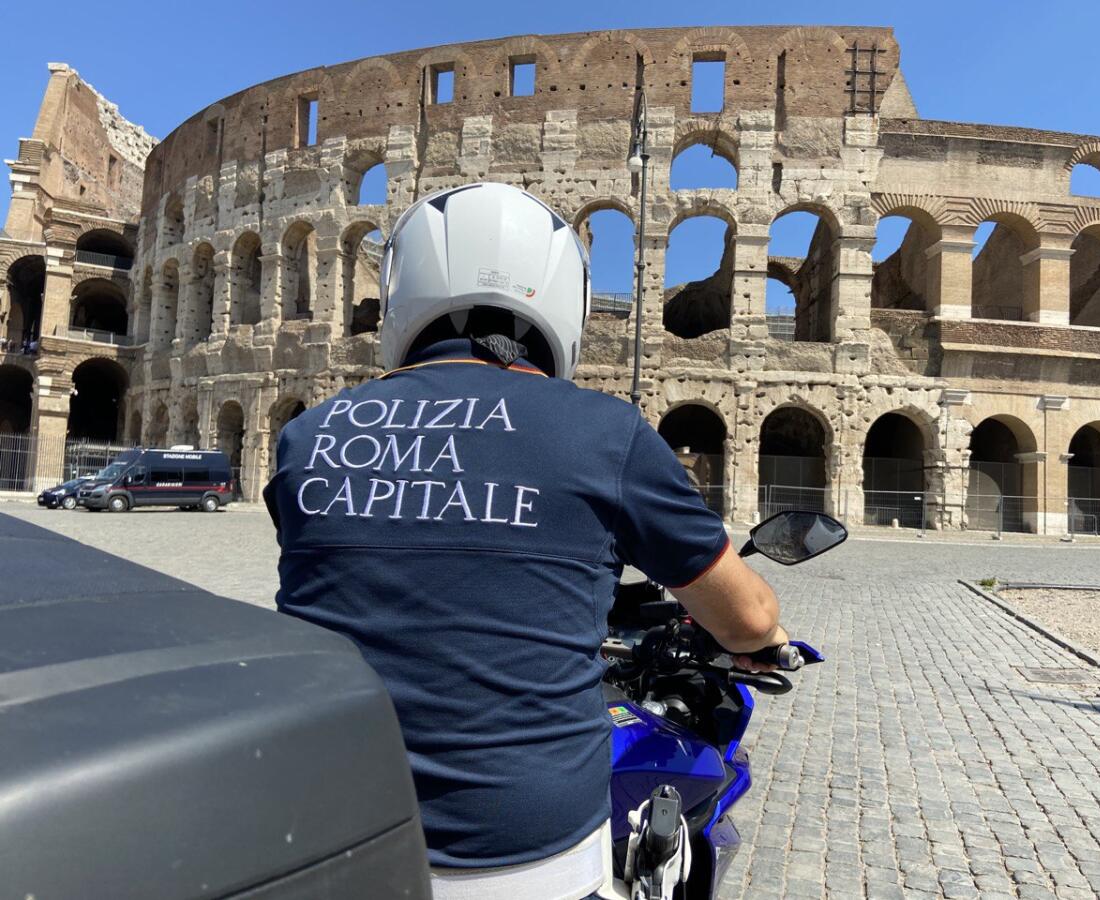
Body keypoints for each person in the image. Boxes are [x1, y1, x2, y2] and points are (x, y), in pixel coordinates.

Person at [264, 182, 788, 899]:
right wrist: (758, 637)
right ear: (561, 301)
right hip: (520, 848)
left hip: (320, 828)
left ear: (402, 293)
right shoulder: (605, 433)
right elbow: (751, 617)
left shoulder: (307, 436)